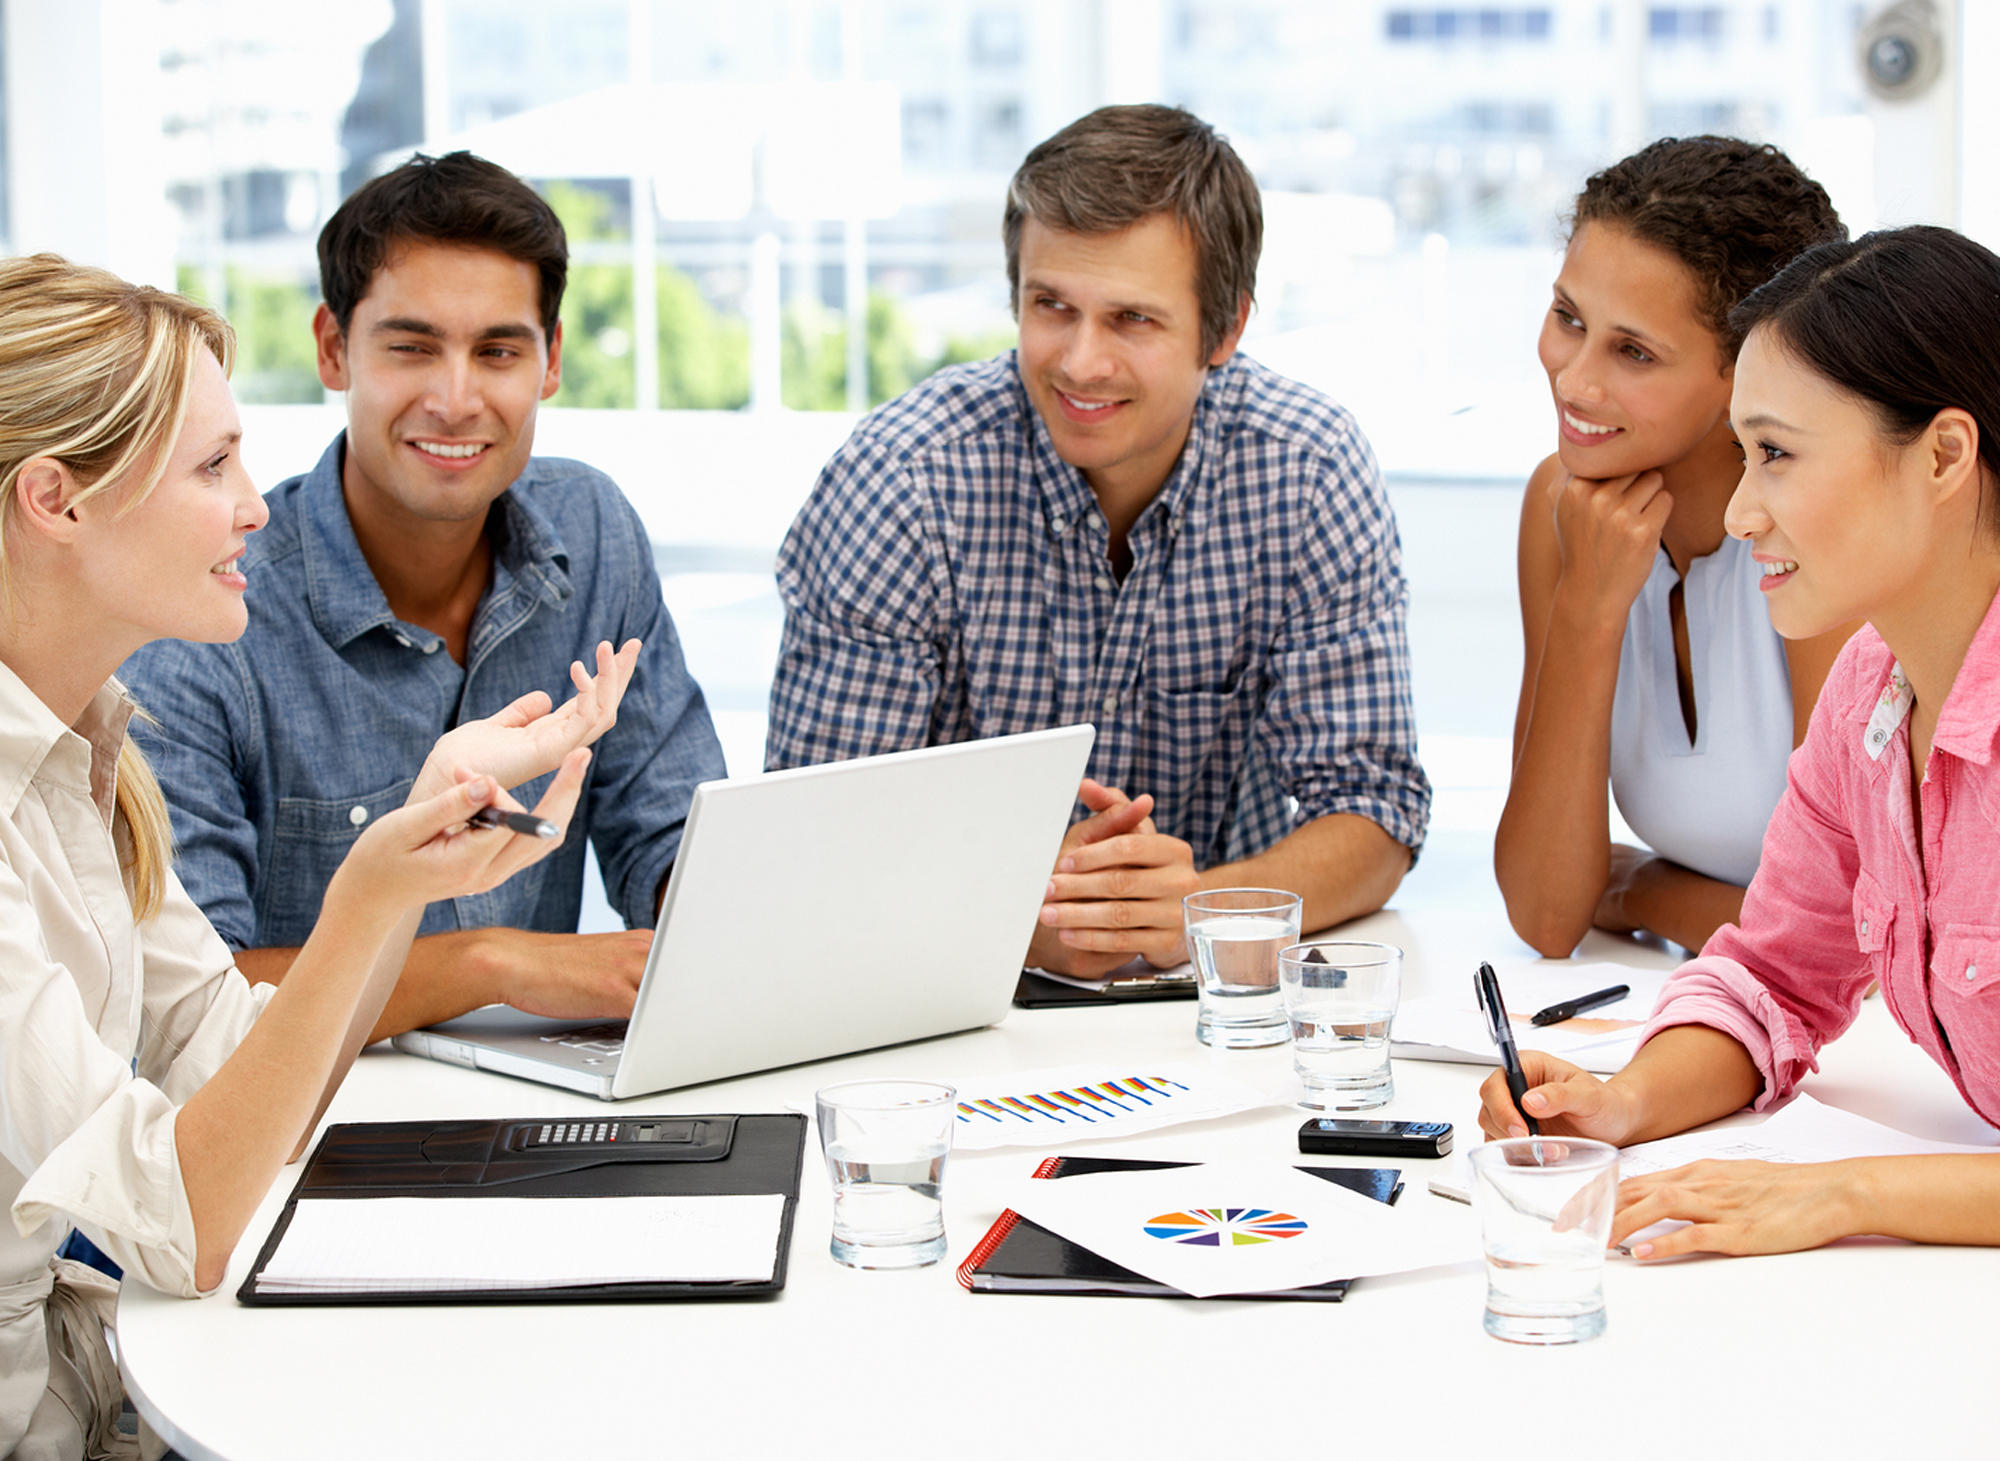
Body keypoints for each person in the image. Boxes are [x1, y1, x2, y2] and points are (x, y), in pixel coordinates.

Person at [0, 255, 627, 1456]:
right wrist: (371, 893)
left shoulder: (96, 750)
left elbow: (248, 1089)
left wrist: (416, 852)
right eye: (210, 466)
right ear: (54, 501)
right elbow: (182, 1220)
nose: (256, 506)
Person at [765, 105, 1431, 978]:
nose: (1080, 361)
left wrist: (1200, 912)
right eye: (1052, 306)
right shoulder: (901, 481)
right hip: (933, 992)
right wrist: (1025, 922)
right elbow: (813, 843)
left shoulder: (1307, 469)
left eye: (1131, 320)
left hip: (1221, 997)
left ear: (1224, 330)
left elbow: (1375, 812)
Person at [1478, 225, 2000, 1256]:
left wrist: (1846, 1195)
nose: (1740, 509)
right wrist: (1620, 1104)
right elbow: (1771, 977)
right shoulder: (1871, 693)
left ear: (1942, 454)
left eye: (1774, 455)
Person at [121, 152, 725, 1042]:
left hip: (541, 1103)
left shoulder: (592, 531)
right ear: (334, 348)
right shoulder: (209, 609)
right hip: (301, 1127)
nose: (455, 398)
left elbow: (671, 834)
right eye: (411, 347)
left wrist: (713, 929)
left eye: (498, 351)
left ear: (551, 361)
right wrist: (494, 963)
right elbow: (191, 1000)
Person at [1494, 137, 1857, 959]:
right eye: (1569, 319)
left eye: (1634, 351)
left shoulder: (1825, 527)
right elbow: (1548, 913)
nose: (1573, 381)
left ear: (1747, 368)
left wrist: (1640, 887)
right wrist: (1588, 607)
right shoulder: (1562, 507)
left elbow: (1851, 937)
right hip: (1707, 1000)